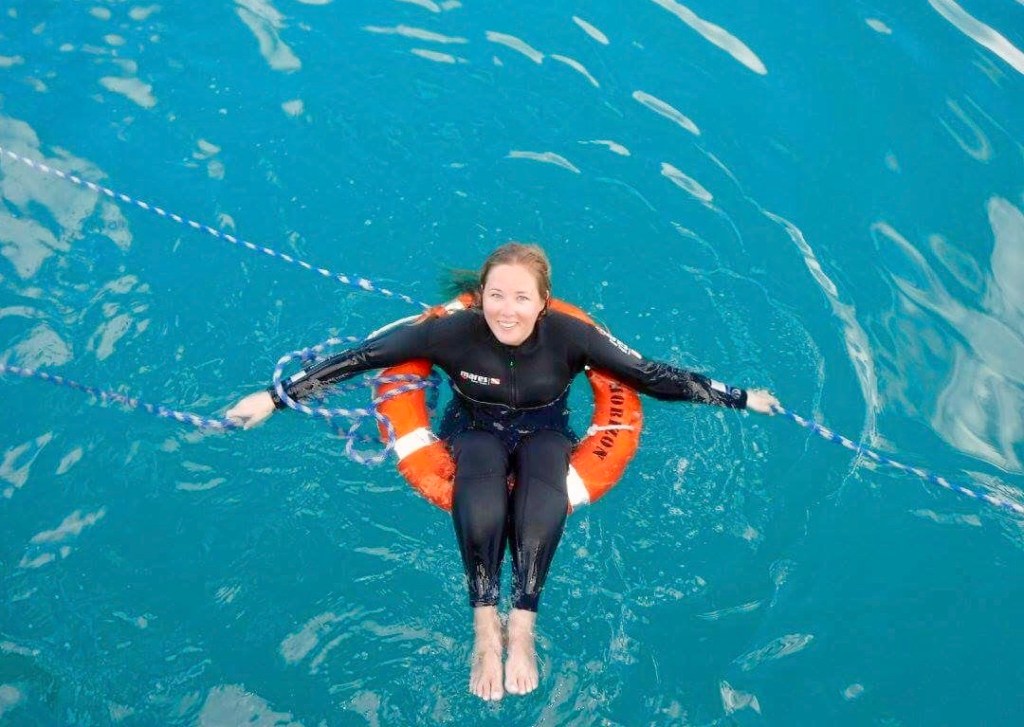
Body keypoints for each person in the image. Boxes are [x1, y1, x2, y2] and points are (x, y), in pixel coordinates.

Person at [226, 242, 779, 702]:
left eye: (520, 298)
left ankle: (524, 625)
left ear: (543, 302)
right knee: (484, 474)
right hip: (472, 431)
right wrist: (273, 400)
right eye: (496, 295)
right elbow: (360, 357)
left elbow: (650, 376)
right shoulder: (449, 334)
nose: (506, 311)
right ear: (481, 296)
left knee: (542, 472)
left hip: (545, 431)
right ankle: (486, 626)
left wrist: (737, 397)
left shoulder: (572, 337)